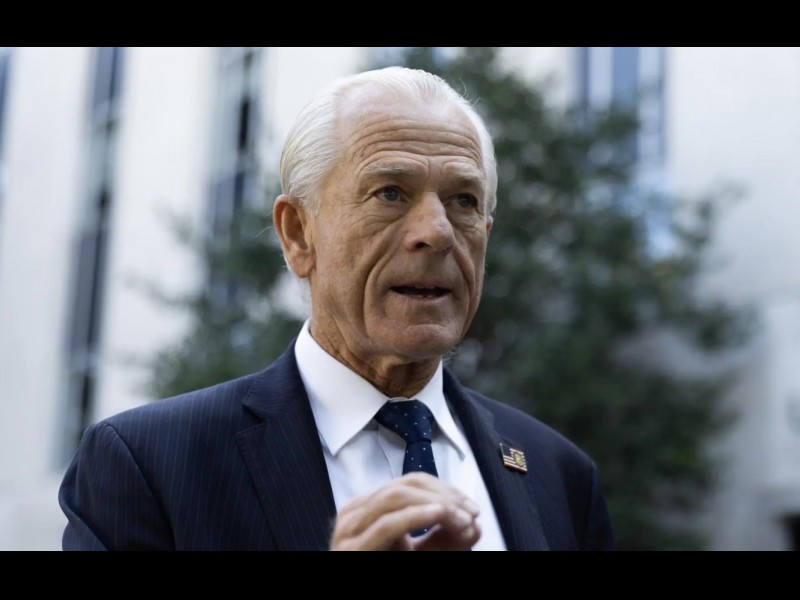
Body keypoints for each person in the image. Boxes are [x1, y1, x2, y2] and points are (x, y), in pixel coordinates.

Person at [58, 65, 615, 551]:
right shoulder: (150, 466)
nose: (438, 232)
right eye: (390, 193)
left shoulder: (559, 475)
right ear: (298, 234)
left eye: (463, 201)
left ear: (485, 236)